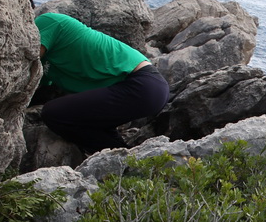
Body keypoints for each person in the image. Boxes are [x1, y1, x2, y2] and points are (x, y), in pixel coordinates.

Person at [34, 12, 170, 154]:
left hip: (142, 83)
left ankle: (124, 159)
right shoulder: (47, 63)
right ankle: (125, 158)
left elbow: (29, 59)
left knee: (54, 113)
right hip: (141, 88)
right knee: (91, 126)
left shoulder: (46, 22)